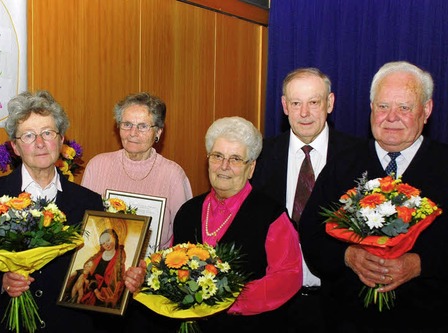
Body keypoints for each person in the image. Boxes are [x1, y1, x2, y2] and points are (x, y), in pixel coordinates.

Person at [0, 90, 145, 332]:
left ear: (61, 140)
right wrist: (1, 283)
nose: (39, 143)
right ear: (15, 147)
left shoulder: (88, 202)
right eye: (28, 135)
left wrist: (127, 281)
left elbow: (96, 275)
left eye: (48, 133)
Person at [299, 61, 448, 332]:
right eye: (383, 106)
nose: (391, 117)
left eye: (404, 107)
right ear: (371, 109)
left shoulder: (444, 165)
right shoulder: (342, 165)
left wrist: (420, 265)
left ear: (426, 111)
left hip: (429, 320)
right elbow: (311, 233)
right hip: (348, 321)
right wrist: (347, 255)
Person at [131, 117, 302, 332]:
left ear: (251, 168)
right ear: (208, 160)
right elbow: (169, 264)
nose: (224, 166)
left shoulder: (270, 214)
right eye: (217, 156)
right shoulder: (188, 211)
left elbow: (288, 277)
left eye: (236, 159)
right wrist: (145, 274)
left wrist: (225, 300)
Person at [251, 68, 363, 332]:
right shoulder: (261, 157)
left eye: (314, 102)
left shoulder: (358, 157)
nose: (304, 113)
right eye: (296, 103)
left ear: (330, 103)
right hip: (273, 307)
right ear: (284, 106)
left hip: (339, 307)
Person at [81, 92, 192, 249]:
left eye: (143, 126)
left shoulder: (173, 175)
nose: (133, 133)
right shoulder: (97, 166)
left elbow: (185, 233)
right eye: (127, 124)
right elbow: (84, 226)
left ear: (158, 132)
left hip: (154, 268)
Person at [79, 228, 126, 308]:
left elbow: (118, 280)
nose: (106, 245)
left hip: (107, 292)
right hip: (93, 288)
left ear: (114, 238)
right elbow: (90, 274)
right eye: (103, 243)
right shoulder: (97, 257)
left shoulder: (120, 258)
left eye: (108, 240)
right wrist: (96, 291)